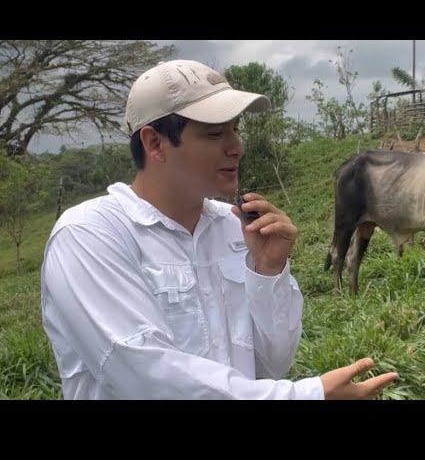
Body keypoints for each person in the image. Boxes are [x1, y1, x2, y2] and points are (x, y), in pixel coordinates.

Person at [40, 59, 398, 400]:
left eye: (235, 130)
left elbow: (271, 366)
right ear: (154, 143)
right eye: (214, 134)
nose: (237, 148)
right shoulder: (90, 236)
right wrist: (307, 393)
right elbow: (143, 378)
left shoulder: (235, 228)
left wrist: (268, 272)